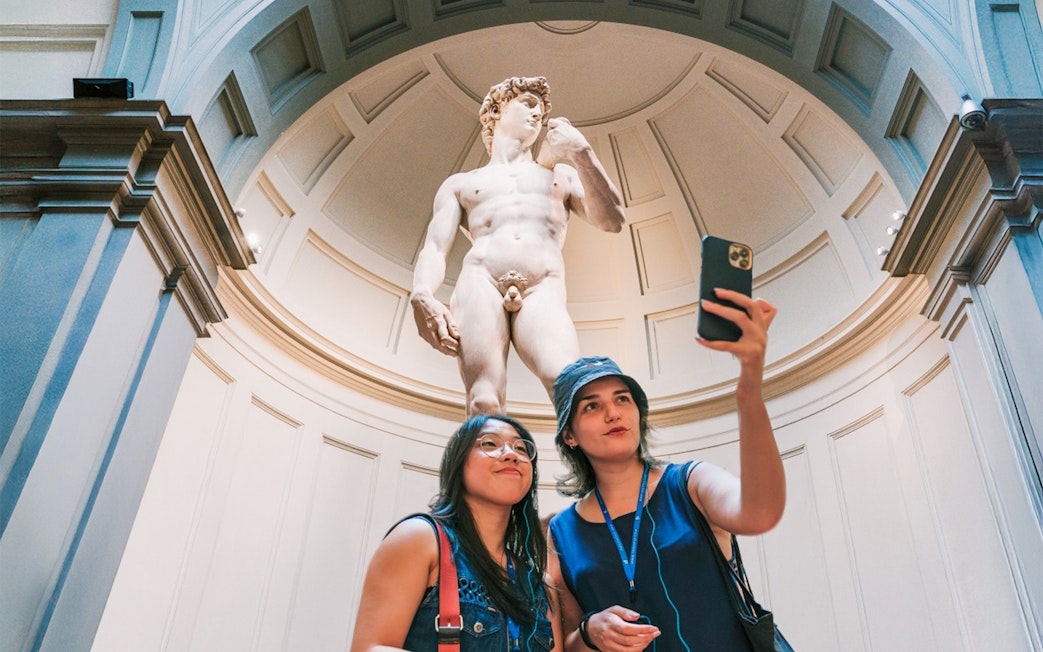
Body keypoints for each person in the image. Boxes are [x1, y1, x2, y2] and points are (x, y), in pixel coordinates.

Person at [546, 290, 784, 652]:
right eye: (592, 406)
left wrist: (749, 389)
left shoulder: (690, 483)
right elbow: (565, 644)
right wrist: (591, 631)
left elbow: (761, 512)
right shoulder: (561, 533)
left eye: (622, 399)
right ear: (570, 436)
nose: (613, 413)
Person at [410, 75, 627, 416]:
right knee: (483, 399)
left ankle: (598, 470)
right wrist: (421, 293)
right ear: (496, 111)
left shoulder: (561, 175)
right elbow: (435, 249)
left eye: (541, 110)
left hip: (543, 286)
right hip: (480, 281)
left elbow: (612, 220)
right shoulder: (462, 183)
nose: (537, 114)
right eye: (527, 103)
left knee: (572, 386)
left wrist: (581, 151)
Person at [351, 414, 563, 652]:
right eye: (490, 443)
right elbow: (371, 648)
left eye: (521, 448)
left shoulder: (542, 585)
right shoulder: (420, 539)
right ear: (458, 463)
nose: (511, 454)